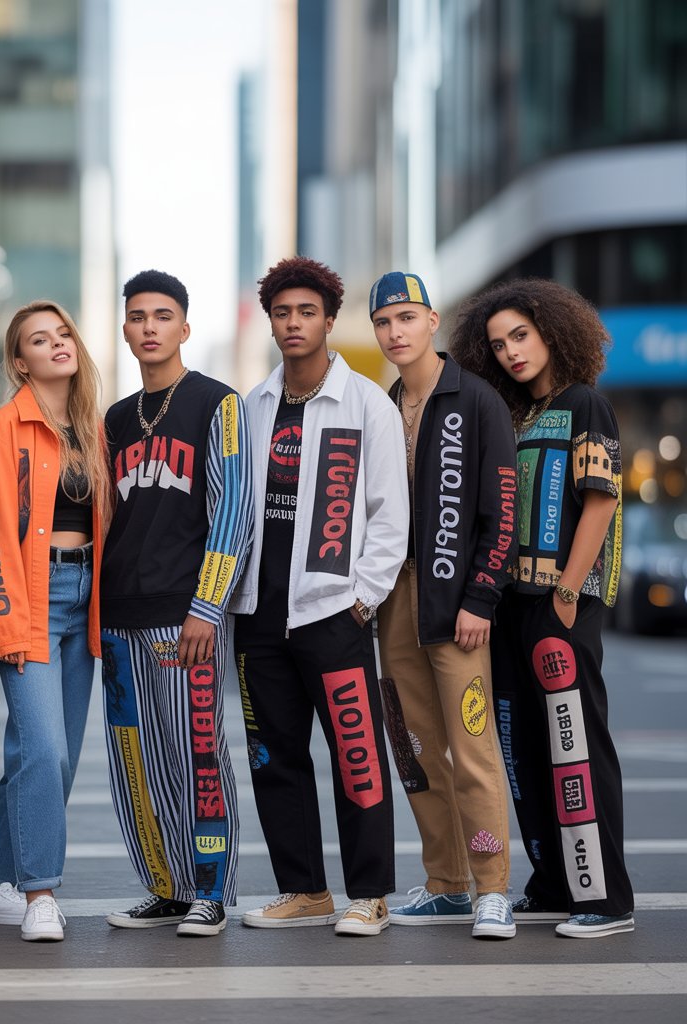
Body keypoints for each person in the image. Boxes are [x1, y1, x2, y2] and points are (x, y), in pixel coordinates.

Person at [451, 277, 634, 939]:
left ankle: (605, 898)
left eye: (520, 336)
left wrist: (565, 592)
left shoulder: (586, 404)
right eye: (497, 344)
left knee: (575, 746)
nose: (509, 353)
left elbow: (601, 499)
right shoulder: (511, 415)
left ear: (553, 332)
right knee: (521, 747)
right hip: (507, 607)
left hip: (562, 606)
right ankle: (552, 882)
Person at [230, 256, 407, 936]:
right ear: (271, 322)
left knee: (356, 753)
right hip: (260, 613)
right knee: (273, 755)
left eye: (307, 312)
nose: (294, 323)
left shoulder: (364, 403)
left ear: (330, 321)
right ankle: (303, 890)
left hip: (333, 612)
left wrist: (361, 596)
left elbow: (391, 514)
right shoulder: (253, 406)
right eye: (283, 312)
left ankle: (370, 893)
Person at [100, 269, 252, 937]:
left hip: (184, 617)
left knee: (197, 756)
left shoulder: (218, 404)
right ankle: (164, 887)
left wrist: (207, 609)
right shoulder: (113, 419)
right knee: (136, 761)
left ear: (185, 328)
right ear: (126, 328)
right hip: (118, 618)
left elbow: (233, 514)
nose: (150, 326)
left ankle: (210, 891)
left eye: (163, 315)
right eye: (138, 316)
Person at [369, 271, 518, 939]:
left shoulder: (475, 401)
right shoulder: (380, 405)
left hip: (458, 604)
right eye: (384, 321)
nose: (395, 331)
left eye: (406, 317)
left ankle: (491, 886)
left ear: (432, 321)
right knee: (417, 747)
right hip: (393, 599)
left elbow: (501, 511)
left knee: (472, 747)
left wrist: (481, 596)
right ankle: (447, 883)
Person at [0, 300, 110, 942]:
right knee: (43, 749)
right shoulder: (2, 430)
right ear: (19, 363)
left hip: (86, 602)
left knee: (55, 756)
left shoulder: (93, 428)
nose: (58, 345)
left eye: (64, 334)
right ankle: (40, 894)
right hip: (31, 597)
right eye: (39, 340)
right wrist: (5, 623)